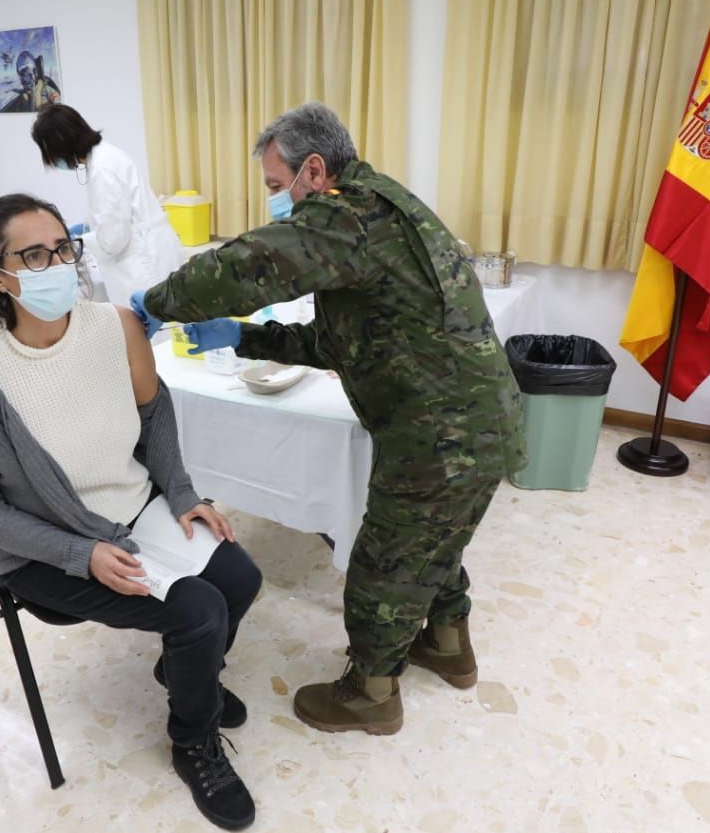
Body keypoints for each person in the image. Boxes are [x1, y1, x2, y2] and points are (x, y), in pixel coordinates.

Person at [130, 102, 526, 736]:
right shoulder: (384, 204)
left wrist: (156, 303)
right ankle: (449, 647)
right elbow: (344, 342)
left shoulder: (347, 216)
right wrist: (242, 336)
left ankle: (370, 694)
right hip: (478, 421)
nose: (273, 202)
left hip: (437, 435)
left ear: (313, 170)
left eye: (273, 185)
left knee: (383, 561)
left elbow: (249, 265)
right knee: (434, 541)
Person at [0, 194, 262, 831]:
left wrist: (183, 494)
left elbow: (154, 410)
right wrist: (78, 553)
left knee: (240, 579)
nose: (57, 263)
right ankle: (192, 740)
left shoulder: (114, 326)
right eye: (34, 254)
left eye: (63, 247)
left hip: (133, 507)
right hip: (47, 547)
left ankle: (183, 672)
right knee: (200, 613)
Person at [31, 103, 185, 308]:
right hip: (152, 251)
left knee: (158, 330)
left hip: (144, 263)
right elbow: (115, 214)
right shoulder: (105, 156)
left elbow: (113, 241)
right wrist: (88, 228)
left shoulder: (102, 169)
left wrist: (78, 242)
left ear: (60, 144)